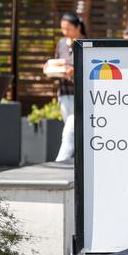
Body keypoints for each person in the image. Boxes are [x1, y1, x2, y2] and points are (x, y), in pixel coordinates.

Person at [43, 12, 86, 162]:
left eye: (68, 29)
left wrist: (74, 71)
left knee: (70, 130)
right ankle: (79, 161)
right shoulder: (61, 43)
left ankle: (60, 162)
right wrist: (50, 66)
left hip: (79, 95)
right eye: (63, 29)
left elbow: (87, 68)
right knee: (74, 131)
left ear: (78, 27)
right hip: (64, 94)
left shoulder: (85, 44)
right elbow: (58, 61)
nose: (65, 32)